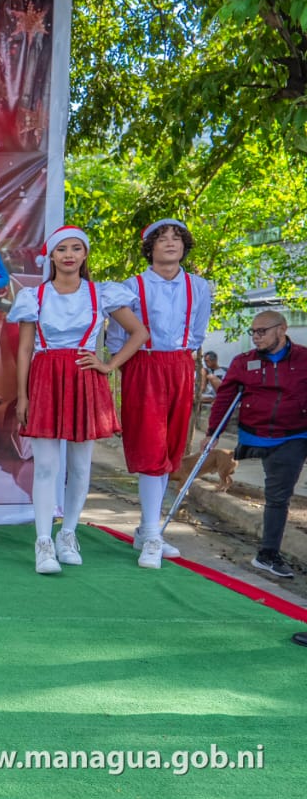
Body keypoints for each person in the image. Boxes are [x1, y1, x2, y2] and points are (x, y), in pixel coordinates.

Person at [9, 226, 148, 575]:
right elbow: (24, 350)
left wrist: (108, 365)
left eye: (76, 248)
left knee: (81, 466)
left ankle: (68, 534)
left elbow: (139, 333)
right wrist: (23, 395)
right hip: (45, 379)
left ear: (85, 254)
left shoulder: (101, 293)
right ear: (51, 256)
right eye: (62, 249)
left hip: (85, 380)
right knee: (45, 465)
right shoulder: (34, 296)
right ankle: (43, 542)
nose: (69, 255)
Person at [105, 218, 212, 567]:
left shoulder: (199, 287)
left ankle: (147, 529)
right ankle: (152, 533)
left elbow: (197, 331)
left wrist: (182, 364)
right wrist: (131, 369)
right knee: (150, 447)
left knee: (169, 449)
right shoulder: (131, 287)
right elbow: (117, 337)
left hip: (180, 364)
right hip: (143, 365)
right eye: (162, 238)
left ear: (185, 246)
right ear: (149, 247)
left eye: (177, 238)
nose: (170, 243)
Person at [207, 310, 306, 580]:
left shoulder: (303, 359)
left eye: (262, 331)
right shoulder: (243, 362)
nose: (256, 337)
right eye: (253, 332)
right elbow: (225, 398)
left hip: (293, 435)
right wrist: (213, 432)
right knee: (276, 493)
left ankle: (267, 555)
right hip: (255, 434)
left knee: (278, 495)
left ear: (282, 329)